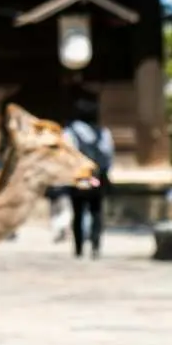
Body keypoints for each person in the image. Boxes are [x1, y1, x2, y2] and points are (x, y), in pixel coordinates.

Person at [64, 94, 113, 259]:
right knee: (96, 212)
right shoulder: (103, 132)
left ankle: (78, 248)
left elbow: (68, 155)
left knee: (78, 212)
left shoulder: (70, 132)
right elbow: (108, 155)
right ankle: (95, 245)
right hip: (97, 177)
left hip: (79, 178)